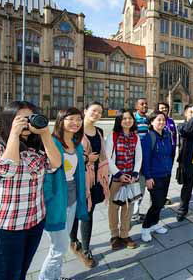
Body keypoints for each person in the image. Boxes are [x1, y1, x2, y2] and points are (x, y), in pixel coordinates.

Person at [0, 101, 61, 280]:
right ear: (9, 121)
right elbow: (6, 170)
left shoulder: (38, 149)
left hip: (35, 221)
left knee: (22, 272)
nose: (27, 122)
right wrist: (14, 134)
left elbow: (56, 164)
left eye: (30, 118)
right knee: (8, 275)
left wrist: (44, 134)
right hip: (8, 226)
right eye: (20, 119)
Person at [40, 108, 89, 280]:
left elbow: (78, 175)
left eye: (79, 119)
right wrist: (48, 200)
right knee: (58, 248)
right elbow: (45, 177)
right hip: (56, 199)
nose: (76, 122)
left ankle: (57, 276)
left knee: (63, 243)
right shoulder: (52, 143)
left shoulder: (76, 145)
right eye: (71, 119)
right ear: (61, 120)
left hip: (72, 197)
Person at [70, 102, 109, 268]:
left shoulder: (99, 131)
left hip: (94, 178)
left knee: (88, 211)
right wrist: (86, 159)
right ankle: (73, 240)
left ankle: (85, 248)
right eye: (94, 110)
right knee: (74, 210)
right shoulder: (75, 131)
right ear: (85, 111)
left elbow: (102, 154)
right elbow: (67, 156)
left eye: (99, 112)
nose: (97, 114)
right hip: (76, 177)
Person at [105, 110, 141, 250]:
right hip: (116, 178)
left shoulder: (135, 137)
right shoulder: (112, 136)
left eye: (130, 118)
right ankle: (114, 235)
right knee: (114, 208)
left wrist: (134, 173)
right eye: (124, 118)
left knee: (128, 207)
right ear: (119, 120)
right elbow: (108, 158)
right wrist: (119, 174)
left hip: (131, 178)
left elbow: (138, 157)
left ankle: (125, 234)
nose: (127, 121)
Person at [141, 111, 174, 242]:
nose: (161, 122)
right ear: (151, 122)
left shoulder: (166, 135)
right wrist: (148, 177)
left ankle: (154, 224)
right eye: (158, 120)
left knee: (160, 204)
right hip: (154, 176)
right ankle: (145, 227)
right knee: (157, 203)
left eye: (163, 120)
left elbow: (170, 153)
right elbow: (145, 159)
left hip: (166, 174)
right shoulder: (149, 137)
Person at [157, 102, 177, 205]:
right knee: (159, 178)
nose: (164, 110)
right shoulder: (156, 121)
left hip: (171, 153)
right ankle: (157, 199)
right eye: (161, 108)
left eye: (165, 108)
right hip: (160, 154)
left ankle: (164, 196)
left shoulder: (171, 121)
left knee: (167, 177)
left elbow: (175, 137)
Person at [133, 98, 149, 221]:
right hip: (135, 159)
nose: (144, 105)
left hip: (146, 158)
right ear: (136, 106)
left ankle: (136, 212)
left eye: (146, 104)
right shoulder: (133, 120)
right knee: (134, 187)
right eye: (142, 104)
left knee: (142, 187)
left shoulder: (147, 119)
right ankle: (132, 214)